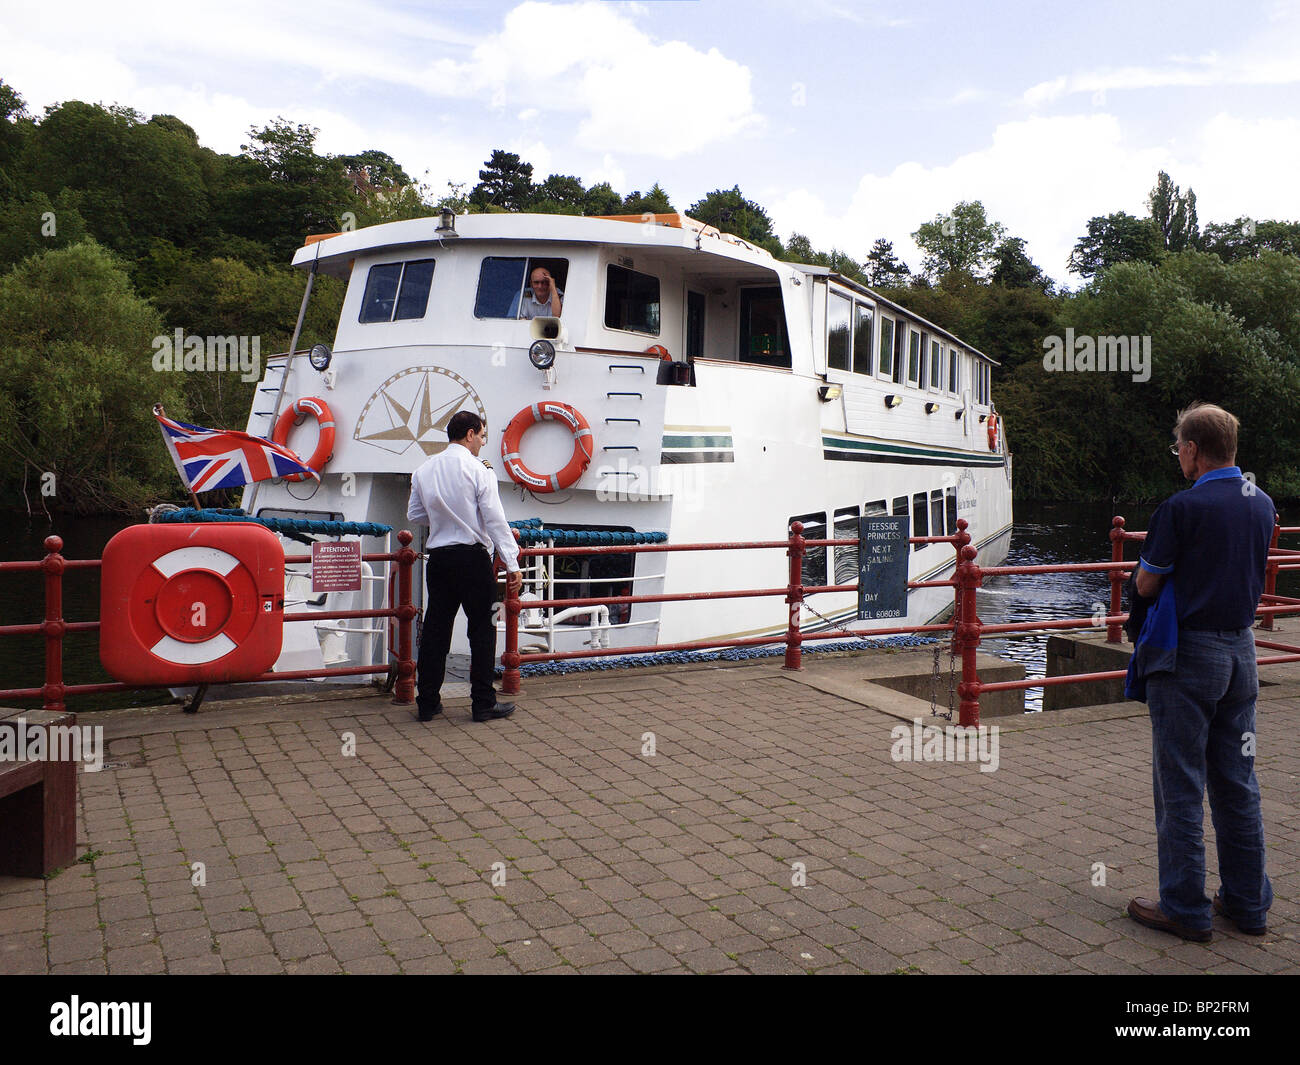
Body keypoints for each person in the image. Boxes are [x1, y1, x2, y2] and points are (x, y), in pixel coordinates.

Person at [1126, 402, 1275, 941]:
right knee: (1238, 784)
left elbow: (1146, 583)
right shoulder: (1262, 504)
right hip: (1242, 655)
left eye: (1179, 449)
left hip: (1188, 658)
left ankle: (1185, 909)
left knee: (1181, 785)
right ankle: (1247, 904)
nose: (1178, 458)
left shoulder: (1181, 509)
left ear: (1192, 449)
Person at [407, 410, 522, 723]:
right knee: (483, 629)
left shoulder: (423, 470)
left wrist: (445, 516)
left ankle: (427, 703)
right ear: (470, 434)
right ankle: (483, 703)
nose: (482, 443)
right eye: (482, 436)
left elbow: (415, 515)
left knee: (435, 630)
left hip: (439, 559)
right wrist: (512, 563)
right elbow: (495, 520)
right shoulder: (479, 470)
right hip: (473, 559)